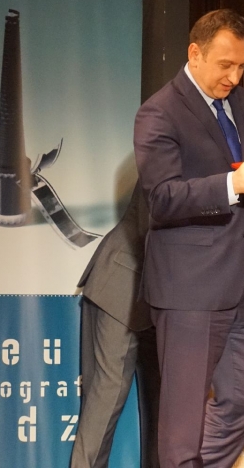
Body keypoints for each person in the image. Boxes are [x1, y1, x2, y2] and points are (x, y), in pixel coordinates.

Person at [133, 9, 244, 468]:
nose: (234, 77)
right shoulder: (159, 112)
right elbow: (162, 198)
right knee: (183, 426)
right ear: (194, 54)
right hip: (189, 289)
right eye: (225, 65)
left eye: (242, 66)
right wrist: (232, 185)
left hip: (242, 281)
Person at [71, 184, 160, 468]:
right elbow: (155, 231)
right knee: (106, 396)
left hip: (155, 297)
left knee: (165, 406)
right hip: (123, 283)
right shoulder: (170, 158)